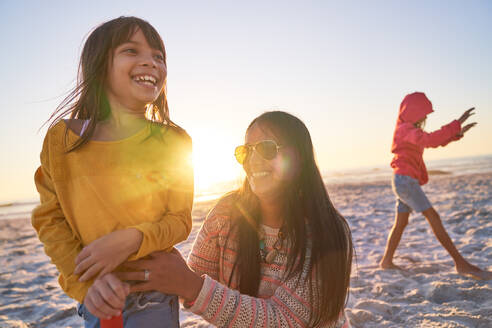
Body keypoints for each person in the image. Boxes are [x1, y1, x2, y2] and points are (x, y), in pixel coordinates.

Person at [117, 111, 354, 327]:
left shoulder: (327, 232)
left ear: (298, 157)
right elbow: (196, 274)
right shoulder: (227, 213)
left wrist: (190, 284)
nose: (253, 161)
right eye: (246, 151)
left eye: (267, 148)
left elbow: (284, 320)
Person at [31, 16, 193, 327]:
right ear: (99, 66)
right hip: (95, 296)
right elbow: (49, 219)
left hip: (153, 290)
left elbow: (180, 221)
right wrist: (85, 284)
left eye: (158, 56)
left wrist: (132, 239)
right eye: (132, 51)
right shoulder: (62, 140)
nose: (151, 63)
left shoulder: (173, 141)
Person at [379, 92, 492, 280]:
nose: (424, 117)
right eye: (422, 113)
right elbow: (431, 140)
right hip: (405, 181)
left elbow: (433, 142)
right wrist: (457, 123)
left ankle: (386, 261)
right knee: (433, 216)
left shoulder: (409, 131)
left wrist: (457, 133)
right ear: (412, 112)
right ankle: (461, 263)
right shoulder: (406, 130)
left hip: (404, 180)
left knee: (401, 223)